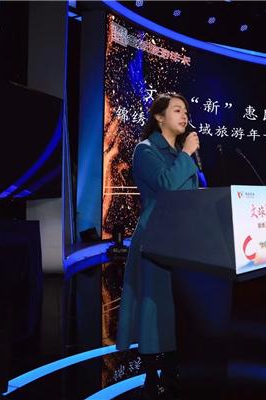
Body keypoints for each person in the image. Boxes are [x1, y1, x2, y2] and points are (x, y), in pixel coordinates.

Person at [116, 92, 200, 399]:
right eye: (177, 110)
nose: (184, 115)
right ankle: (152, 376)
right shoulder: (146, 150)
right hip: (156, 238)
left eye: (186, 110)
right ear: (159, 117)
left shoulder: (180, 153)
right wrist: (187, 154)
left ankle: (173, 370)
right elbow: (166, 185)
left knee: (176, 305)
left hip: (183, 240)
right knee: (154, 305)